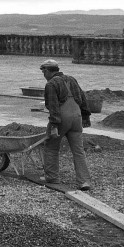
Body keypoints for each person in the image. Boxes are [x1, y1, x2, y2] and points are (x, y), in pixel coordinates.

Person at [39, 59, 92, 191]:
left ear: (47, 70)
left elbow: (53, 106)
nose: (43, 75)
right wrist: (85, 117)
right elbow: (83, 98)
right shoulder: (72, 79)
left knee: (51, 146)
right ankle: (84, 181)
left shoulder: (51, 84)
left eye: (43, 71)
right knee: (78, 150)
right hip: (77, 117)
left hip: (62, 118)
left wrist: (54, 125)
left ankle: (52, 177)